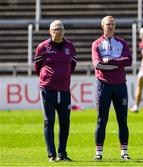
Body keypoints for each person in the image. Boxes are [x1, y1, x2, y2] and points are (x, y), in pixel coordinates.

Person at [34, 20, 77, 162]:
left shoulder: (70, 46)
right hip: (48, 90)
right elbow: (37, 67)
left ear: (64, 30)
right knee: (49, 121)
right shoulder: (43, 47)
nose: (58, 31)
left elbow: (73, 65)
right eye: (55, 29)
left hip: (64, 90)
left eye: (60, 28)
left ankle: (62, 154)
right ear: (50, 31)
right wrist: (48, 79)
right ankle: (51, 155)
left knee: (65, 122)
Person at [91, 15, 132, 160]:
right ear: (102, 26)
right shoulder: (96, 44)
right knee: (101, 120)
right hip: (103, 85)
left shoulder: (122, 43)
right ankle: (98, 153)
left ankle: (124, 153)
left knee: (123, 120)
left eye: (113, 24)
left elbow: (129, 61)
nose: (110, 26)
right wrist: (117, 65)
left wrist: (112, 61)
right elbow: (98, 65)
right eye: (108, 24)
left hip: (120, 85)